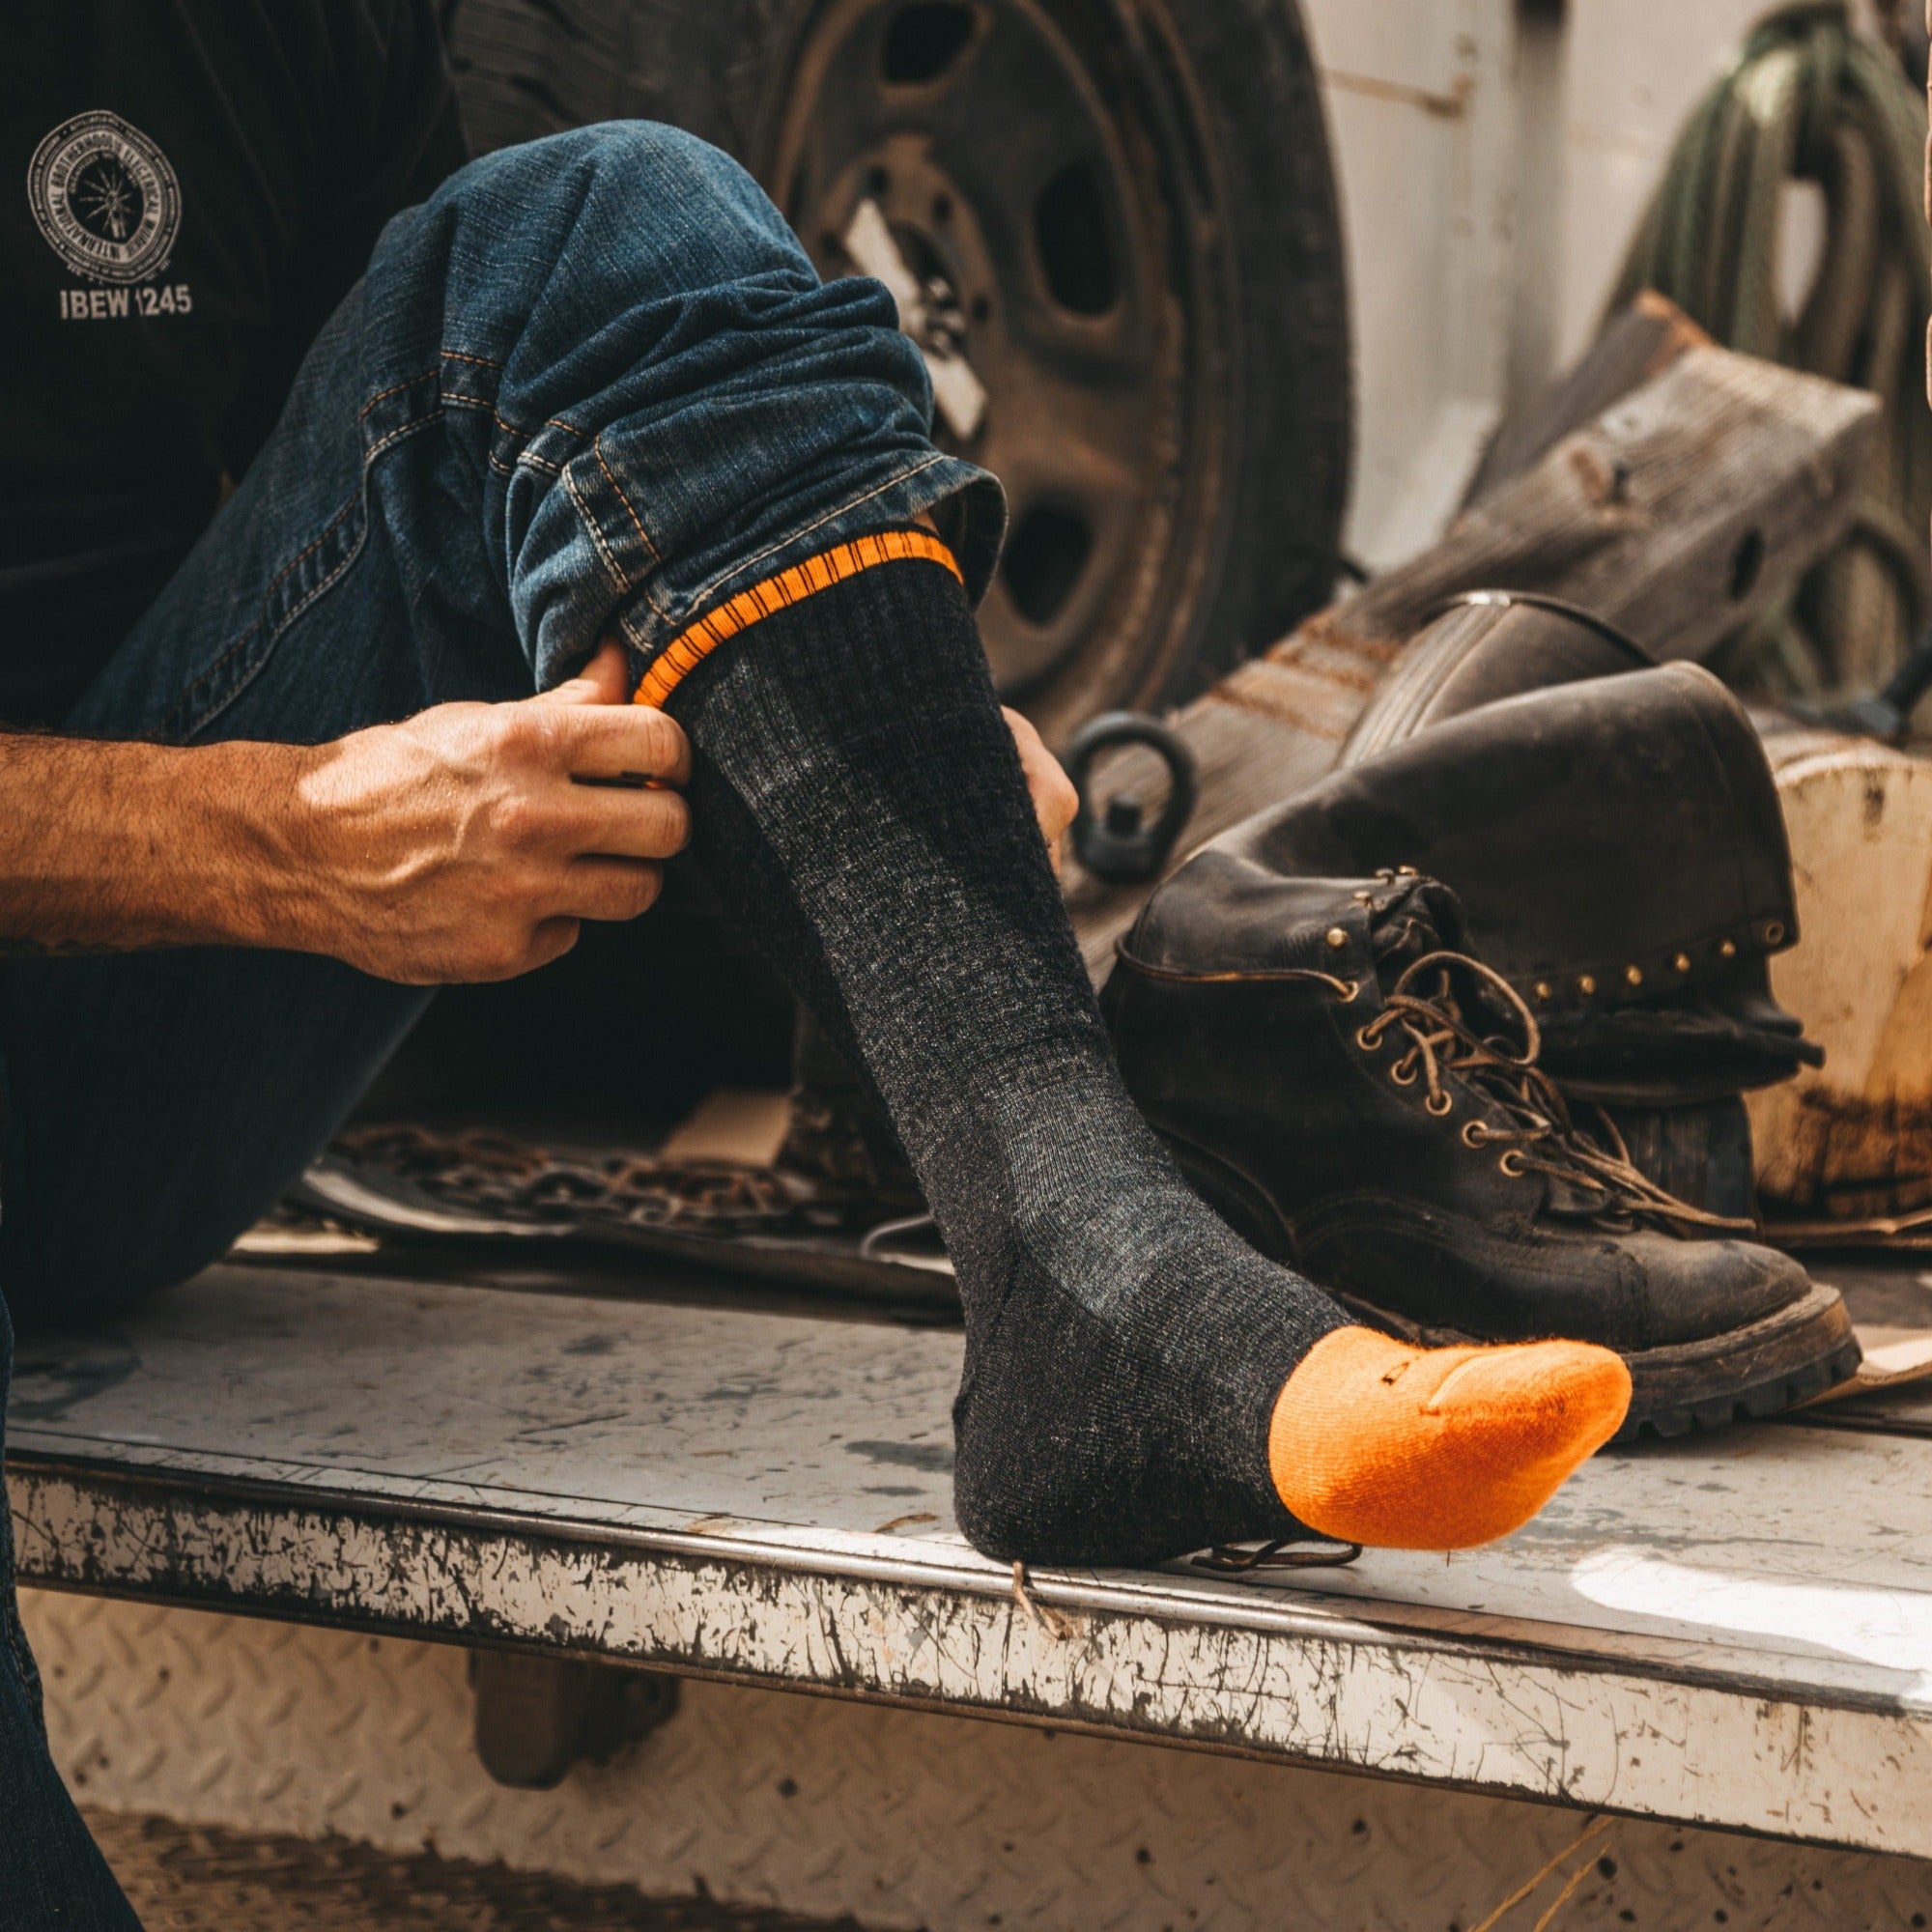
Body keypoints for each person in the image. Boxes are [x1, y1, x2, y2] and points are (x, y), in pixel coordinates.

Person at [0, 7, 1630, 1920]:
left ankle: (1086, 1273)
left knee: (606, 219)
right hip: (190, 886)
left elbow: (452, 436)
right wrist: (278, 836)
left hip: (108, 1047)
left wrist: (857, 724)